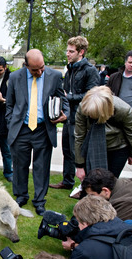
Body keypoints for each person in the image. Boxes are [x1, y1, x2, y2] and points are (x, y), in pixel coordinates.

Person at [5, 49, 69, 215]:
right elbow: (9, 104)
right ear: (26, 65)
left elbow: (63, 100)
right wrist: (11, 123)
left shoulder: (54, 76)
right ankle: (21, 196)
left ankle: (40, 201)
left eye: (42, 67)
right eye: (35, 70)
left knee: (41, 167)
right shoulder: (14, 77)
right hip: (21, 130)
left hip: (43, 129)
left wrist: (65, 114)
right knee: (20, 166)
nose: (40, 72)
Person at [49, 36, 99, 192]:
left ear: (81, 52)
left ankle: (85, 187)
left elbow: (91, 95)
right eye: (67, 50)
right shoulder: (70, 68)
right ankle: (67, 181)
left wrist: (68, 97)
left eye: (71, 51)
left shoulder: (90, 71)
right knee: (67, 151)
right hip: (68, 117)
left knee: (79, 153)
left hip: (82, 118)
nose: (67, 54)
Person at [74, 86, 132, 182]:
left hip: (118, 148)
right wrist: (79, 166)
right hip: (93, 146)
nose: (91, 116)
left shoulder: (124, 110)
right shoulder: (82, 108)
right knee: (91, 182)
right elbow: (79, 136)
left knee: (109, 183)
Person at [82, 168, 132, 241]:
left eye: (92, 195)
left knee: (127, 227)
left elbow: (109, 231)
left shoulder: (126, 202)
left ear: (105, 191)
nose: (90, 199)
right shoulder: (122, 184)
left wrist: (75, 244)